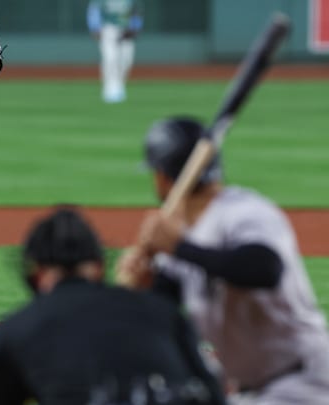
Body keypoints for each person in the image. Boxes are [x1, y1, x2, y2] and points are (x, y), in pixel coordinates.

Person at [117, 117, 329, 403]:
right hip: (249, 391)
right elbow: (164, 310)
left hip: (304, 383)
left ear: (162, 178)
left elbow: (265, 268)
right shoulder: (185, 234)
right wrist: (139, 288)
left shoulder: (244, 211)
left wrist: (179, 247)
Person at [0, 207, 226, 405]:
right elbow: (213, 394)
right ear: (100, 267)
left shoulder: (18, 328)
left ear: (36, 273)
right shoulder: (163, 313)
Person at [87, 0, 143, 103]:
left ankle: (119, 87)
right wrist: (95, 28)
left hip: (126, 30)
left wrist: (135, 27)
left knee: (126, 61)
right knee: (110, 59)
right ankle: (110, 91)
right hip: (108, 29)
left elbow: (135, 12)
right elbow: (94, 11)